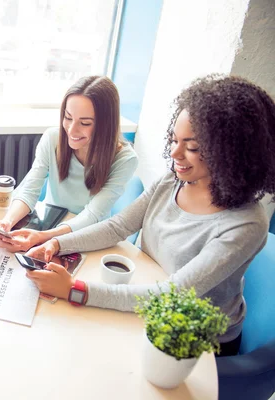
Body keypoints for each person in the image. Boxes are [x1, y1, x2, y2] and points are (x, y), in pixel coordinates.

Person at [25, 74, 275, 356]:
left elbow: (173, 293)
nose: (175, 153)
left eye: (192, 147)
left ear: (232, 152)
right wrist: (56, 244)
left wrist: (75, 290)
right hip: (147, 300)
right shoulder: (172, 181)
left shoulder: (246, 224)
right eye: (174, 140)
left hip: (194, 340)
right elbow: (118, 226)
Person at [0, 76, 138, 252]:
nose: (72, 130)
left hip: (90, 237)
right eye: (68, 117)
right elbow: (29, 189)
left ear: (106, 124)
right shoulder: (52, 138)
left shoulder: (125, 159)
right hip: (51, 224)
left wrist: (43, 237)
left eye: (85, 123)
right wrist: (8, 222)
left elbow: (93, 215)